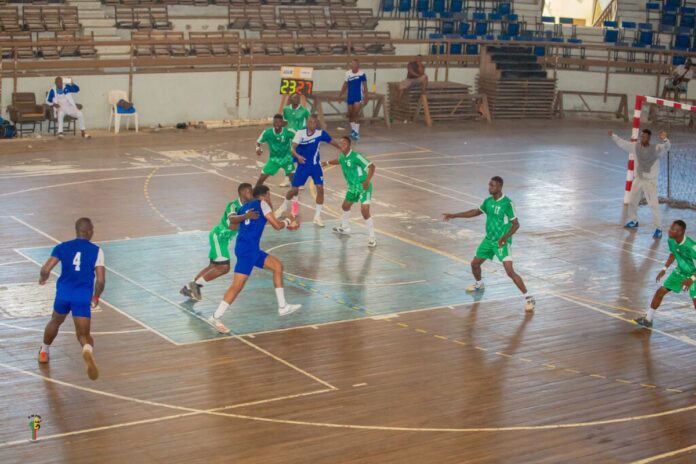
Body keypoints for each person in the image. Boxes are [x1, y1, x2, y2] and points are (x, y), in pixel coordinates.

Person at [208, 185, 301, 334]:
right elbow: (277, 225)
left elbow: (232, 226)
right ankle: (215, 316)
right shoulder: (262, 204)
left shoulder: (244, 207)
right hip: (249, 250)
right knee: (237, 286)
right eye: (269, 196)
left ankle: (283, 306)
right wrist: (289, 221)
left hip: (248, 248)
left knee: (277, 266)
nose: (270, 198)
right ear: (265, 195)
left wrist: (248, 221)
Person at [442, 176, 535, 313]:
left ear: (499, 187)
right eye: (489, 185)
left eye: (492, 186)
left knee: (509, 271)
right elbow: (475, 212)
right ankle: (479, 285)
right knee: (474, 264)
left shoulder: (507, 204)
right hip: (489, 240)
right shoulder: (488, 201)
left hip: (501, 242)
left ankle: (528, 298)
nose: (489, 188)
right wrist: (454, 215)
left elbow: (516, 225)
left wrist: (505, 237)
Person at [37, 218, 105, 380]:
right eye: (92, 230)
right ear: (88, 232)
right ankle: (87, 350)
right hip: (82, 297)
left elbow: (46, 269)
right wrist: (96, 296)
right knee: (83, 334)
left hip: (64, 294)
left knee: (55, 321)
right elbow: (101, 280)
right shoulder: (97, 251)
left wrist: (43, 279)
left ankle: (44, 352)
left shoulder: (62, 247)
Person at [180, 183, 254, 301]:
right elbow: (232, 219)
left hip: (223, 239)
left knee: (213, 266)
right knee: (224, 267)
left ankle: (190, 287)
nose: (252, 193)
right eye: (250, 191)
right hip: (219, 236)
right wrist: (246, 216)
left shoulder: (249, 205)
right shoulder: (233, 205)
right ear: (243, 193)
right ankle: (193, 286)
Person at [276, 114, 342, 227]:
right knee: (294, 190)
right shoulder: (300, 133)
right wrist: (298, 156)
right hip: (303, 165)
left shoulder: (320, 133)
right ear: (307, 122)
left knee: (320, 189)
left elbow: (332, 141)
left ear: (317, 123)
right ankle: (283, 207)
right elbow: (292, 148)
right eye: (310, 122)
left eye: (314, 122)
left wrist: (342, 149)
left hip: (316, 166)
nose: (312, 124)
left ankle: (317, 216)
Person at [609, 129, 671, 239]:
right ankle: (633, 220)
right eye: (642, 136)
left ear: (649, 138)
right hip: (639, 179)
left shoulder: (655, 148)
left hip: (650, 181)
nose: (643, 139)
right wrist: (613, 136)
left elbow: (667, 147)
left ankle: (658, 228)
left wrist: (665, 139)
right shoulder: (635, 147)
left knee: (653, 204)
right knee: (632, 200)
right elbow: (623, 144)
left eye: (646, 137)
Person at [634, 220, 696, 328]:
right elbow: (673, 254)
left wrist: (692, 279)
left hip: (694, 274)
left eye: (673, 229)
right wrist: (664, 268)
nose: (669, 230)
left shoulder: (691, 246)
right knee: (660, 292)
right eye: (670, 227)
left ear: (680, 232)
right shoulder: (671, 240)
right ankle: (648, 319)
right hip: (680, 272)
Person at [322, 136, 377, 248]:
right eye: (340, 143)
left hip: (363, 186)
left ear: (349, 145)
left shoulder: (356, 156)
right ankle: (345, 227)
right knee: (345, 206)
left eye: (344, 143)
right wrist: (327, 162)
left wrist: (367, 181)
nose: (342, 145)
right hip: (352, 187)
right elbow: (339, 161)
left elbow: (371, 166)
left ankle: (372, 237)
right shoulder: (343, 156)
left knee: (365, 211)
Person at [255, 114, 296, 188]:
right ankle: (254, 195)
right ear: (273, 123)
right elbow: (258, 142)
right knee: (261, 179)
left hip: (287, 159)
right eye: (275, 122)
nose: (277, 124)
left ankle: (295, 197)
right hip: (273, 159)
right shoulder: (267, 132)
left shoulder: (289, 132)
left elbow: (298, 140)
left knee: (294, 182)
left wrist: (295, 150)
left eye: (279, 122)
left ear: (283, 123)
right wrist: (257, 148)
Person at [339, 59, 368, 141]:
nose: (353, 65)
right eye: (352, 64)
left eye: (355, 64)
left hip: (358, 96)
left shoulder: (362, 74)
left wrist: (366, 97)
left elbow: (365, 86)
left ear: (358, 65)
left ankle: (357, 132)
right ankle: (353, 131)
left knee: (356, 114)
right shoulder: (347, 73)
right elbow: (345, 84)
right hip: (350, 96)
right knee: (350, 114)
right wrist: (340, 95)